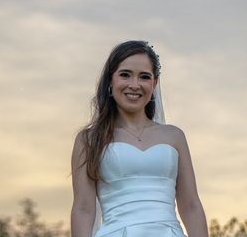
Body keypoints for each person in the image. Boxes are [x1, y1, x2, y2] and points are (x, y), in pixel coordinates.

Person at [70, 40, 209, 237]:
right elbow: (83, 208)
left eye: (144, 77)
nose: (134, 85)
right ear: (111, 79)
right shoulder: (89, 139)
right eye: (125, 75)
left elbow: (191, 205)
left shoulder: (174, 136)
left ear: (155, 83)